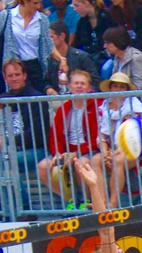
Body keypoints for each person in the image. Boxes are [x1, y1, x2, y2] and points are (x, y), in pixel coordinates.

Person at [0, 58, 50, 216]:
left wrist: (5, 142)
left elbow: (37, 135)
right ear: (5, 77)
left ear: (24, 75)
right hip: (7, 149)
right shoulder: (2, 98)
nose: (14, 78)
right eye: (10, 75)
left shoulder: (36, 98)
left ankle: (25, 209)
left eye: (17, 74)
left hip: (34, 150)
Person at [36, 67, 100, 207]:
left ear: (89, 88)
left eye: (82, 84)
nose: (79, 86)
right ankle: (70, 201)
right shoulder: (63, 109)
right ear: (69, 86)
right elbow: (55, 136)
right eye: (76, 83)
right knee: (42, 166)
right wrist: (57, 153)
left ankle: (86, 200)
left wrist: (76, 153)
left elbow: (96, 137)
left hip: (89, 150)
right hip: (67, 151)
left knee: (81, 164)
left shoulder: (96, 106)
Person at [94, 71, 142, 207]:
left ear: (127, 90)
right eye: (115, 86)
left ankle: (113, 203)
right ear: (110, 88)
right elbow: (102, 135)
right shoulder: (103, 107)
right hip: (112, 149)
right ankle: (101, 202)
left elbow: (135, 136)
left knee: (117, 161)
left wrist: (114, 154)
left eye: (122, 87)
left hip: (135, 149)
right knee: (95, 160)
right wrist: (105, 154)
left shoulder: (135, 107)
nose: (118, 89)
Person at [0, 0, 51, 93]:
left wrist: (61, 59)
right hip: (13, 66)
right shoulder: (6, 16)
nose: (38, 6)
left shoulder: (42, 19)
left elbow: (48, 44)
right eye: (35, 3)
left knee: (37, 101)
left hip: (35, 66)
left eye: (40, 2)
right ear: (24, 2)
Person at [46, 18, 98, 93]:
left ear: (62, 36)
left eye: (51, 37)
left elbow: (95, 82)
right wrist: (48, 88)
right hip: (55, 100)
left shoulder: (82, 57)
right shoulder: (47, 60)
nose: (48, 42)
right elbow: (43, 81)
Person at [101, 25, 142, 90]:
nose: (104, 46)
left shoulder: (136, 58)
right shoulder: (117, 58)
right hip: (122, 99)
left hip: (140, 99)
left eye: (107, 43)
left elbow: (140, 88)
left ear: (118, 41)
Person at [71, 0, 114, 64]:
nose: (75, 9)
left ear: (86, 3)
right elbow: (76, 43)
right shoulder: (82, 22)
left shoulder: (107, 17)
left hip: (107, 57)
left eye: (77, 6)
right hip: (88, 58)